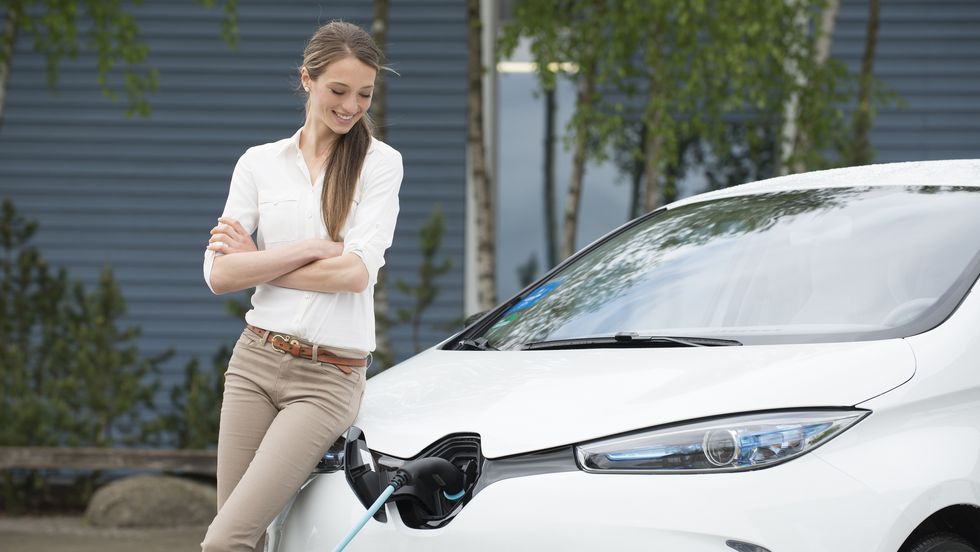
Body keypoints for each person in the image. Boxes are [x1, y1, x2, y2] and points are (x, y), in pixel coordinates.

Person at [199, 20, 402, 552]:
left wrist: (260, 263)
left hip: (328, 378)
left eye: (364, 94)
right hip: (255, 363)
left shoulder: (380, 165)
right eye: (338, 90)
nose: (351, 106)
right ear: (307, 80)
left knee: (226, 540)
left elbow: (355, 274)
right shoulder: (259, 164)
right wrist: (310, 249)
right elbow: (220, 273)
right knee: (248, 540)